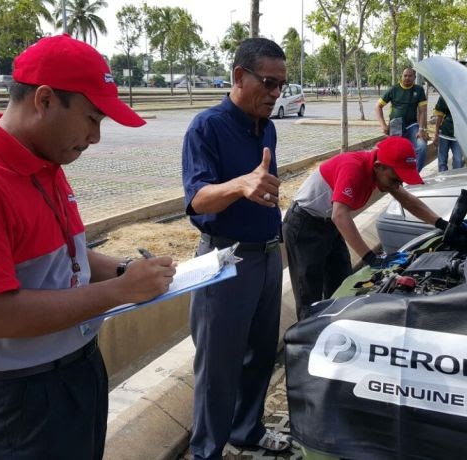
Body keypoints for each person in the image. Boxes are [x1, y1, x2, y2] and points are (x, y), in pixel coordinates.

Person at [0, 34, 176, 459]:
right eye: (91, 119)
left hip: (79, 371)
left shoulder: (47, 161)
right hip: (26, 399)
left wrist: (123, 270)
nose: (95, 137)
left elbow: (68, 256)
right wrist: (120, 291)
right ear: (43, 100)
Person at [182, 38, 292, 460]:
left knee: (261, 353)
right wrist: (240, 184)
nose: (276, 93)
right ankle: (207, 450)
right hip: (224, 261)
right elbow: (195, 199)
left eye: (282, 84)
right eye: (268, 82)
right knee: (217, 367)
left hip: (266, 255)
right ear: (238, 77)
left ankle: (247, 430)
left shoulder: (267, 125)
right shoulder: (207, 127)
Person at [283, 136, 467, 320]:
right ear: (378, 166)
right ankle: (306, 343)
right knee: (309, 296)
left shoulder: (382, 171)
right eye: (395, 180)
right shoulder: (353, 168)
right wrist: (370, 258)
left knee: (341, 285)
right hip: (305, 224)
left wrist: (442, 224)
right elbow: (340, 215)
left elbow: (408, 200)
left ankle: (335, 334)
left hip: (329, 225)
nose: (398, 185)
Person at [375, 67, 430, 171]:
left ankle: (414, 175)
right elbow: (378, 106)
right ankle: (395, 178)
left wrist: (422, 129)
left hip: (412, 125)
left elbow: (423, 111)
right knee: (395, 153)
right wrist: (383, 125)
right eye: (405, 75)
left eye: (410, 76)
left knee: (422, 146)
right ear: (402, 76)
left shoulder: (419, 90)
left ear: (414, 77)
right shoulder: (394, 89)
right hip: (396, 126)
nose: (407, 78)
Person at [433, 96, 464, 171]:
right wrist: (436, 133)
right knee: (442, 162)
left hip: (459, 136)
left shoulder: (465, 97)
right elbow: (439, 116)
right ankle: (443, 179)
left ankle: (456, 180)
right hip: (444, 133)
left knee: (458, 161)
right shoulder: (443, 97)